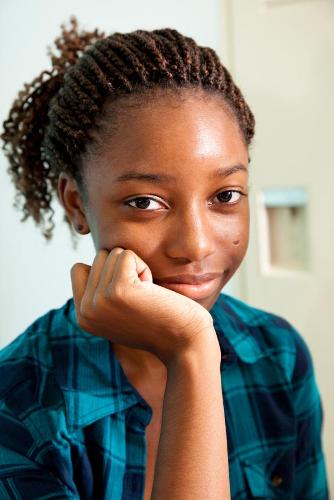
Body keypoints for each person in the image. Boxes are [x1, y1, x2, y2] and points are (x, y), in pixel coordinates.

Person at [0, 16, 329, 500]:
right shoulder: (20, 403)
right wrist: (191, 354)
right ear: (76, 203)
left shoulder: (277, 356)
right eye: (145, 202)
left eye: (225, 195)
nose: (195, 245)